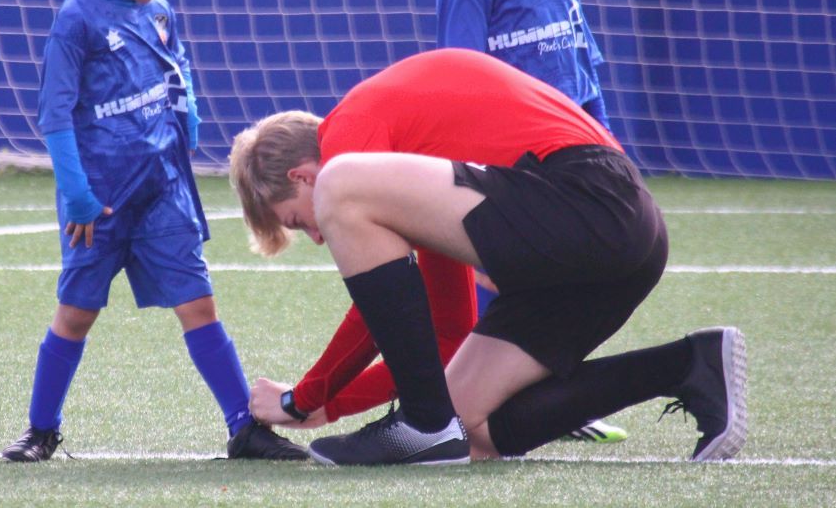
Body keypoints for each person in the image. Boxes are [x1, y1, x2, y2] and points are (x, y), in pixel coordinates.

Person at [230, 49, 747, 466]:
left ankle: (423, 424)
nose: (318, 237)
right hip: (617, 235)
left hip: (592, 198)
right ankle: (689, 365)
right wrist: (330, 406)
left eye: (298, 220)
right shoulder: (417, 184)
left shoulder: (347, 137)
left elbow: (373, 306)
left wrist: (303, 397)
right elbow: (445, 334)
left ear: (302, 176)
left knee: (342, 187)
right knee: (469, 428)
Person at [0, 0, 307, 463]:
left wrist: (186, 109)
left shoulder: (158, 9)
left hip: (164, 189)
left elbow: (177, 63)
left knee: (199, 303)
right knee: (77, 313)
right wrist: (76, 193)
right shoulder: (77, 20)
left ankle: (244, 427)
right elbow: (55, 116)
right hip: (99, 202)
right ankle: (41, 429)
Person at [435, 0, 625, 442]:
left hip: (576, 160)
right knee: (509, 282)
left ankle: (552, 398)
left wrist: (609, 149)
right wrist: (478, 189)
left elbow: (582, 65)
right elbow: (460, 90)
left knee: (578, 277)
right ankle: (498, 403)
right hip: (513, 171)